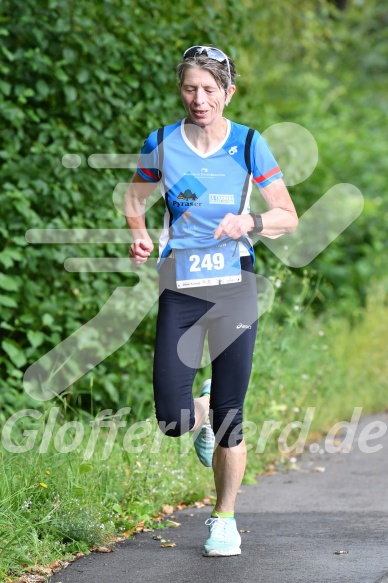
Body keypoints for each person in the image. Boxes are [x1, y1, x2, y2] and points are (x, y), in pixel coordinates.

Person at [125, 45, 298, 557]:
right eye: (189, 88)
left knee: (231, 413)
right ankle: (195, 407)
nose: (199, 99)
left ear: (228, 92)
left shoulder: (248, 143)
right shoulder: (162, 143)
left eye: (209, 89)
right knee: (173, 420)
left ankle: (224, 519)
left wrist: (252, 222)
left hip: (235, 286)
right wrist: (138, 235)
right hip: (181, 285)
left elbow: (287, 214)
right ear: (180, 89)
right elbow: (135, 198)